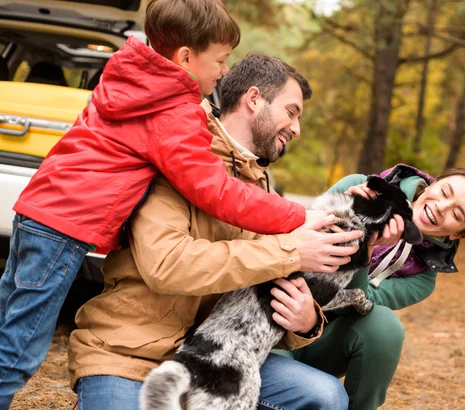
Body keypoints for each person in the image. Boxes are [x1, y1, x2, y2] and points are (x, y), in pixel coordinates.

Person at [0, 1, 323, 407]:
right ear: (186, 57)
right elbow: (212, 189)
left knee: (7, 328)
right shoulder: (175, 111)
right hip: (65, 227)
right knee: (18, 350)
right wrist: (298, 217)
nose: (224, 71)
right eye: (220, 60)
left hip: (39, 212)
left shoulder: (132, 83)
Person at [67, 54, 363, 410]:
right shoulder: (178, 157)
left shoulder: (263, 189)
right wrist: (288, 252)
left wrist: (305, 321)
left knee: (326, 396)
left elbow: (257, 303)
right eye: (291, 112)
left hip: (213, 357)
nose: (297, 128)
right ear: (254, 100)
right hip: (129, 354)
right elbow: (167, 266)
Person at [275, 164, 465, 410]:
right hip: (275, 320)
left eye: (457, 215)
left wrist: (367, 250)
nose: (441, 208)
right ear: (432, 182)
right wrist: (351, 211)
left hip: (323, 343)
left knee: (385, 326)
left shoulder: (423, 279)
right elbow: (294, 239)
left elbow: (361, 303)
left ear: (459, 234)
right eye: (445, 192)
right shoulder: (362, 187)